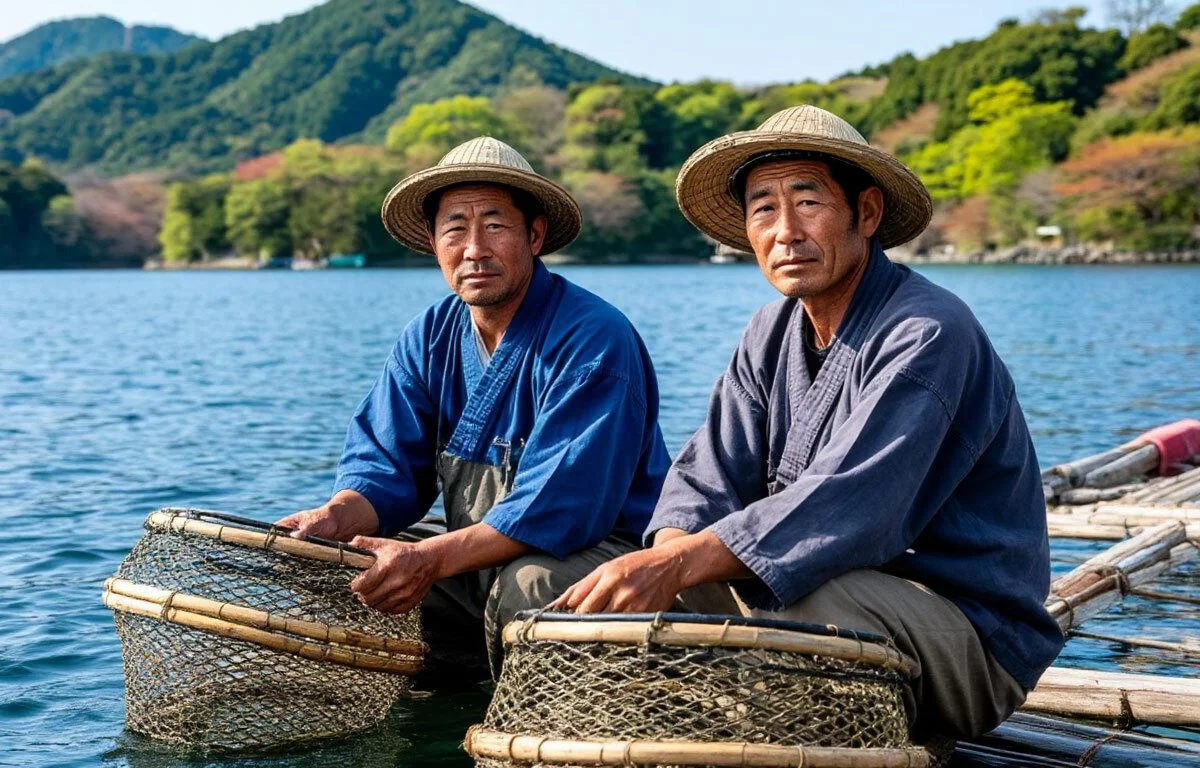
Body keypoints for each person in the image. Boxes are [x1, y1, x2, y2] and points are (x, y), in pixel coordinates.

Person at [553, 106, 1064, 739]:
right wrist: (666, 564)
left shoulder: (928, 332)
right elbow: (706, 476)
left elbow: (851, 507)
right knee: (595, 584)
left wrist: (679, 570)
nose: (785, 232)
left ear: (867, 214)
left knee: (791, 600)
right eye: (763, 208)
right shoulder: (769, 332)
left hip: (965, 635)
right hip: (821, 591)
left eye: (808, 201)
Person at [280, 136, 670, 675]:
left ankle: (542, 725)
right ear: (433, 242)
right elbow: (385, 468)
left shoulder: (593, 339)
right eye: (455, 229)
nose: (474, 248)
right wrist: (335, 518)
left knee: (530, 585)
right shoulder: (430, 336)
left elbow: (560, 508)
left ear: (535, 236)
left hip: (602, 550)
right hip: (480, 546)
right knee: (357, 570)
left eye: (494, 225)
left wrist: (429, 559)